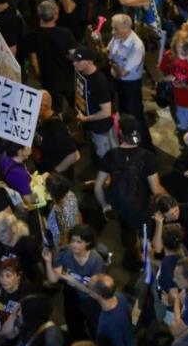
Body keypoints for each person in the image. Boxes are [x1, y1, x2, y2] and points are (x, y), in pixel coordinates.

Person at [95, 115, 166, 270]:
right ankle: (147, 267)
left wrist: (105, 206)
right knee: (145, 238)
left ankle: (133, 256)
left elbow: (98, 186)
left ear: (120, 133)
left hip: (121, 207)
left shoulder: (111, 155)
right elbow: (156, 189)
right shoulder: (147, 156)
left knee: (127, 232)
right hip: (142, 208)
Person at [43, 224, 104, 342]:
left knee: (95, 327)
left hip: (89, 300)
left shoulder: (96, 261)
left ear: (88, 243)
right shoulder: (64, 254)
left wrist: (73, 281)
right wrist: (48, 262)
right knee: (74, 326)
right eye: (72, 241)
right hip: (71, 295)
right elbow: (53, 279)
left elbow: (92, 292)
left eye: (79, 242)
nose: (74, 244)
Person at [107, 0, 163, 82]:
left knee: (148, 56)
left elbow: (124, 1)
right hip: (154, 25)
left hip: (149, 30)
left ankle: (149, 76)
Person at [104, 13, 153, 149]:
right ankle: (127, 141)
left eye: (116, 29)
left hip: (131, 86)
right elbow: (108, 51)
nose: (113, 32)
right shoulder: (117, 38)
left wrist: (111, 62)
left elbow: (122, 72)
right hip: (117, 83)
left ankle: (145, 147)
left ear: (126, 28)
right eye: (112, 28)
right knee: (122, 113)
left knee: (135, 116)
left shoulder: (137, 46)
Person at [89, 274, 136, 346]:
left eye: (89, 286)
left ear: (98, 294)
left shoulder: (110, 322)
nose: (86, 286)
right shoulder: (119, 297)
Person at [70, 46, 117, 158]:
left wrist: (86, 118)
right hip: (91, 125)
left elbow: (106, 112)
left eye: (78, 61)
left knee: (106, 155)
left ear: (88, 62)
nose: (74, 63)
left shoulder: (99, 82)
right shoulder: (82, 73)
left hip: (101, 128)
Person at [159, 30, 188, 141]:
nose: (183, 48)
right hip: (176, 101)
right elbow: (160, 72)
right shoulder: (169, 56)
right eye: (180, 44)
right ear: (175, 44)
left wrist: (185, 87)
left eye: (186, 45)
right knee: (182, 127)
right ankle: (185, 145)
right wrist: (168, 78)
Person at [0, 260, 34, 346]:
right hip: (3, 330)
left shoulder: (26, 295)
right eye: (1, 276)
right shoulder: (1, 290)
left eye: (8, 276)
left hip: (20, 335)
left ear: (18, 276)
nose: (4, 280)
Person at [33, 91, 79, 180]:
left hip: (58, 180)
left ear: (44, 106)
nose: (32, 108)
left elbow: (74, 155)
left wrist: (53, 173)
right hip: (44, 171)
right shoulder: (39, 120)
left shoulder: (57, 127)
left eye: (35, 105)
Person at [45, 174, 81, 249]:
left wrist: (61, 246)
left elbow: (65, 233)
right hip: (72, 225)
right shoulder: (69, 193)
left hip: (64, 233)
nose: (46, 191)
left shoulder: (62, 211)